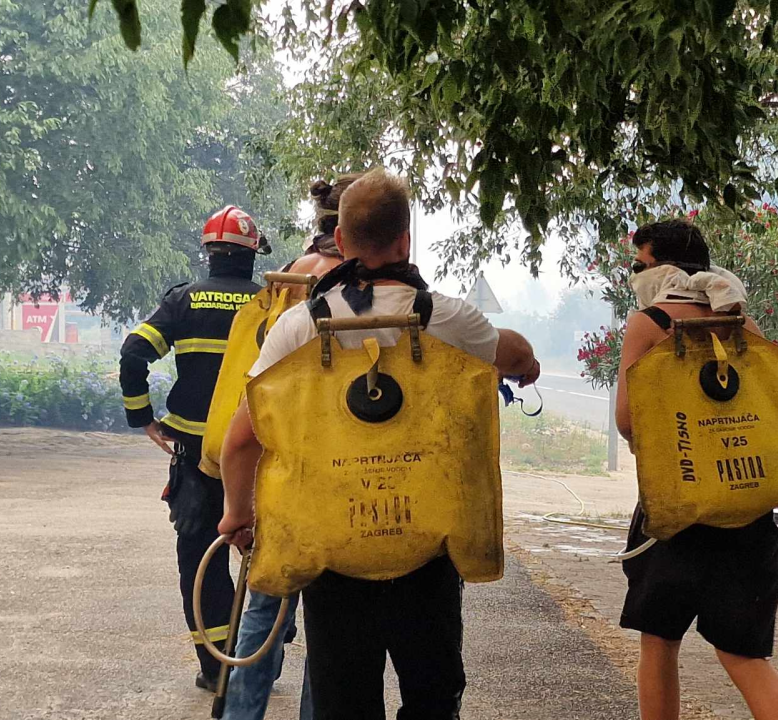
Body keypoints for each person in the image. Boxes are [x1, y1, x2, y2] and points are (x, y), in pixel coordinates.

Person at [218, 168, 539, 719]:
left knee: (343, 703)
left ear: (341, 240)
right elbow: (515, 356)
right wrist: (524, 361)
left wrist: (236, 515)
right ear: (404, 240)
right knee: (432, 698)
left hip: (334, 553)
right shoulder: (450, 321)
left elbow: (242, 440)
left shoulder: (299, 328)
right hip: (427, 551)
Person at [615, 219, 778, 720]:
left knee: (659, 641)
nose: (635, 273)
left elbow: (628, 420)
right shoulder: (741, 322)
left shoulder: (648, 322)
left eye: (640, 263)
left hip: (675, 505)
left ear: (662, 267)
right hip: (745, 506)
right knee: (744, 655)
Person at [221, 176, 359, 720]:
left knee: (263, 612)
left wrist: (238, 507)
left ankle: (241, 714)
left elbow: (255, 400)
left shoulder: (288, 277)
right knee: (330, 629)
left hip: (277, 471)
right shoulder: (363, 286)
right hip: (340, 472)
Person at [119, 206, 268, 689]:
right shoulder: (269, 304)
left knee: (201, 560)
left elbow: (133, 353)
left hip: (194, 455)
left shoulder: (183, 301)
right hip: (260, 455)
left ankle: (216, 668)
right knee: (270, 555)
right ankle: (263, 656)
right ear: (252, 253)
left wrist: (142, 417)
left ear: (209, 252)